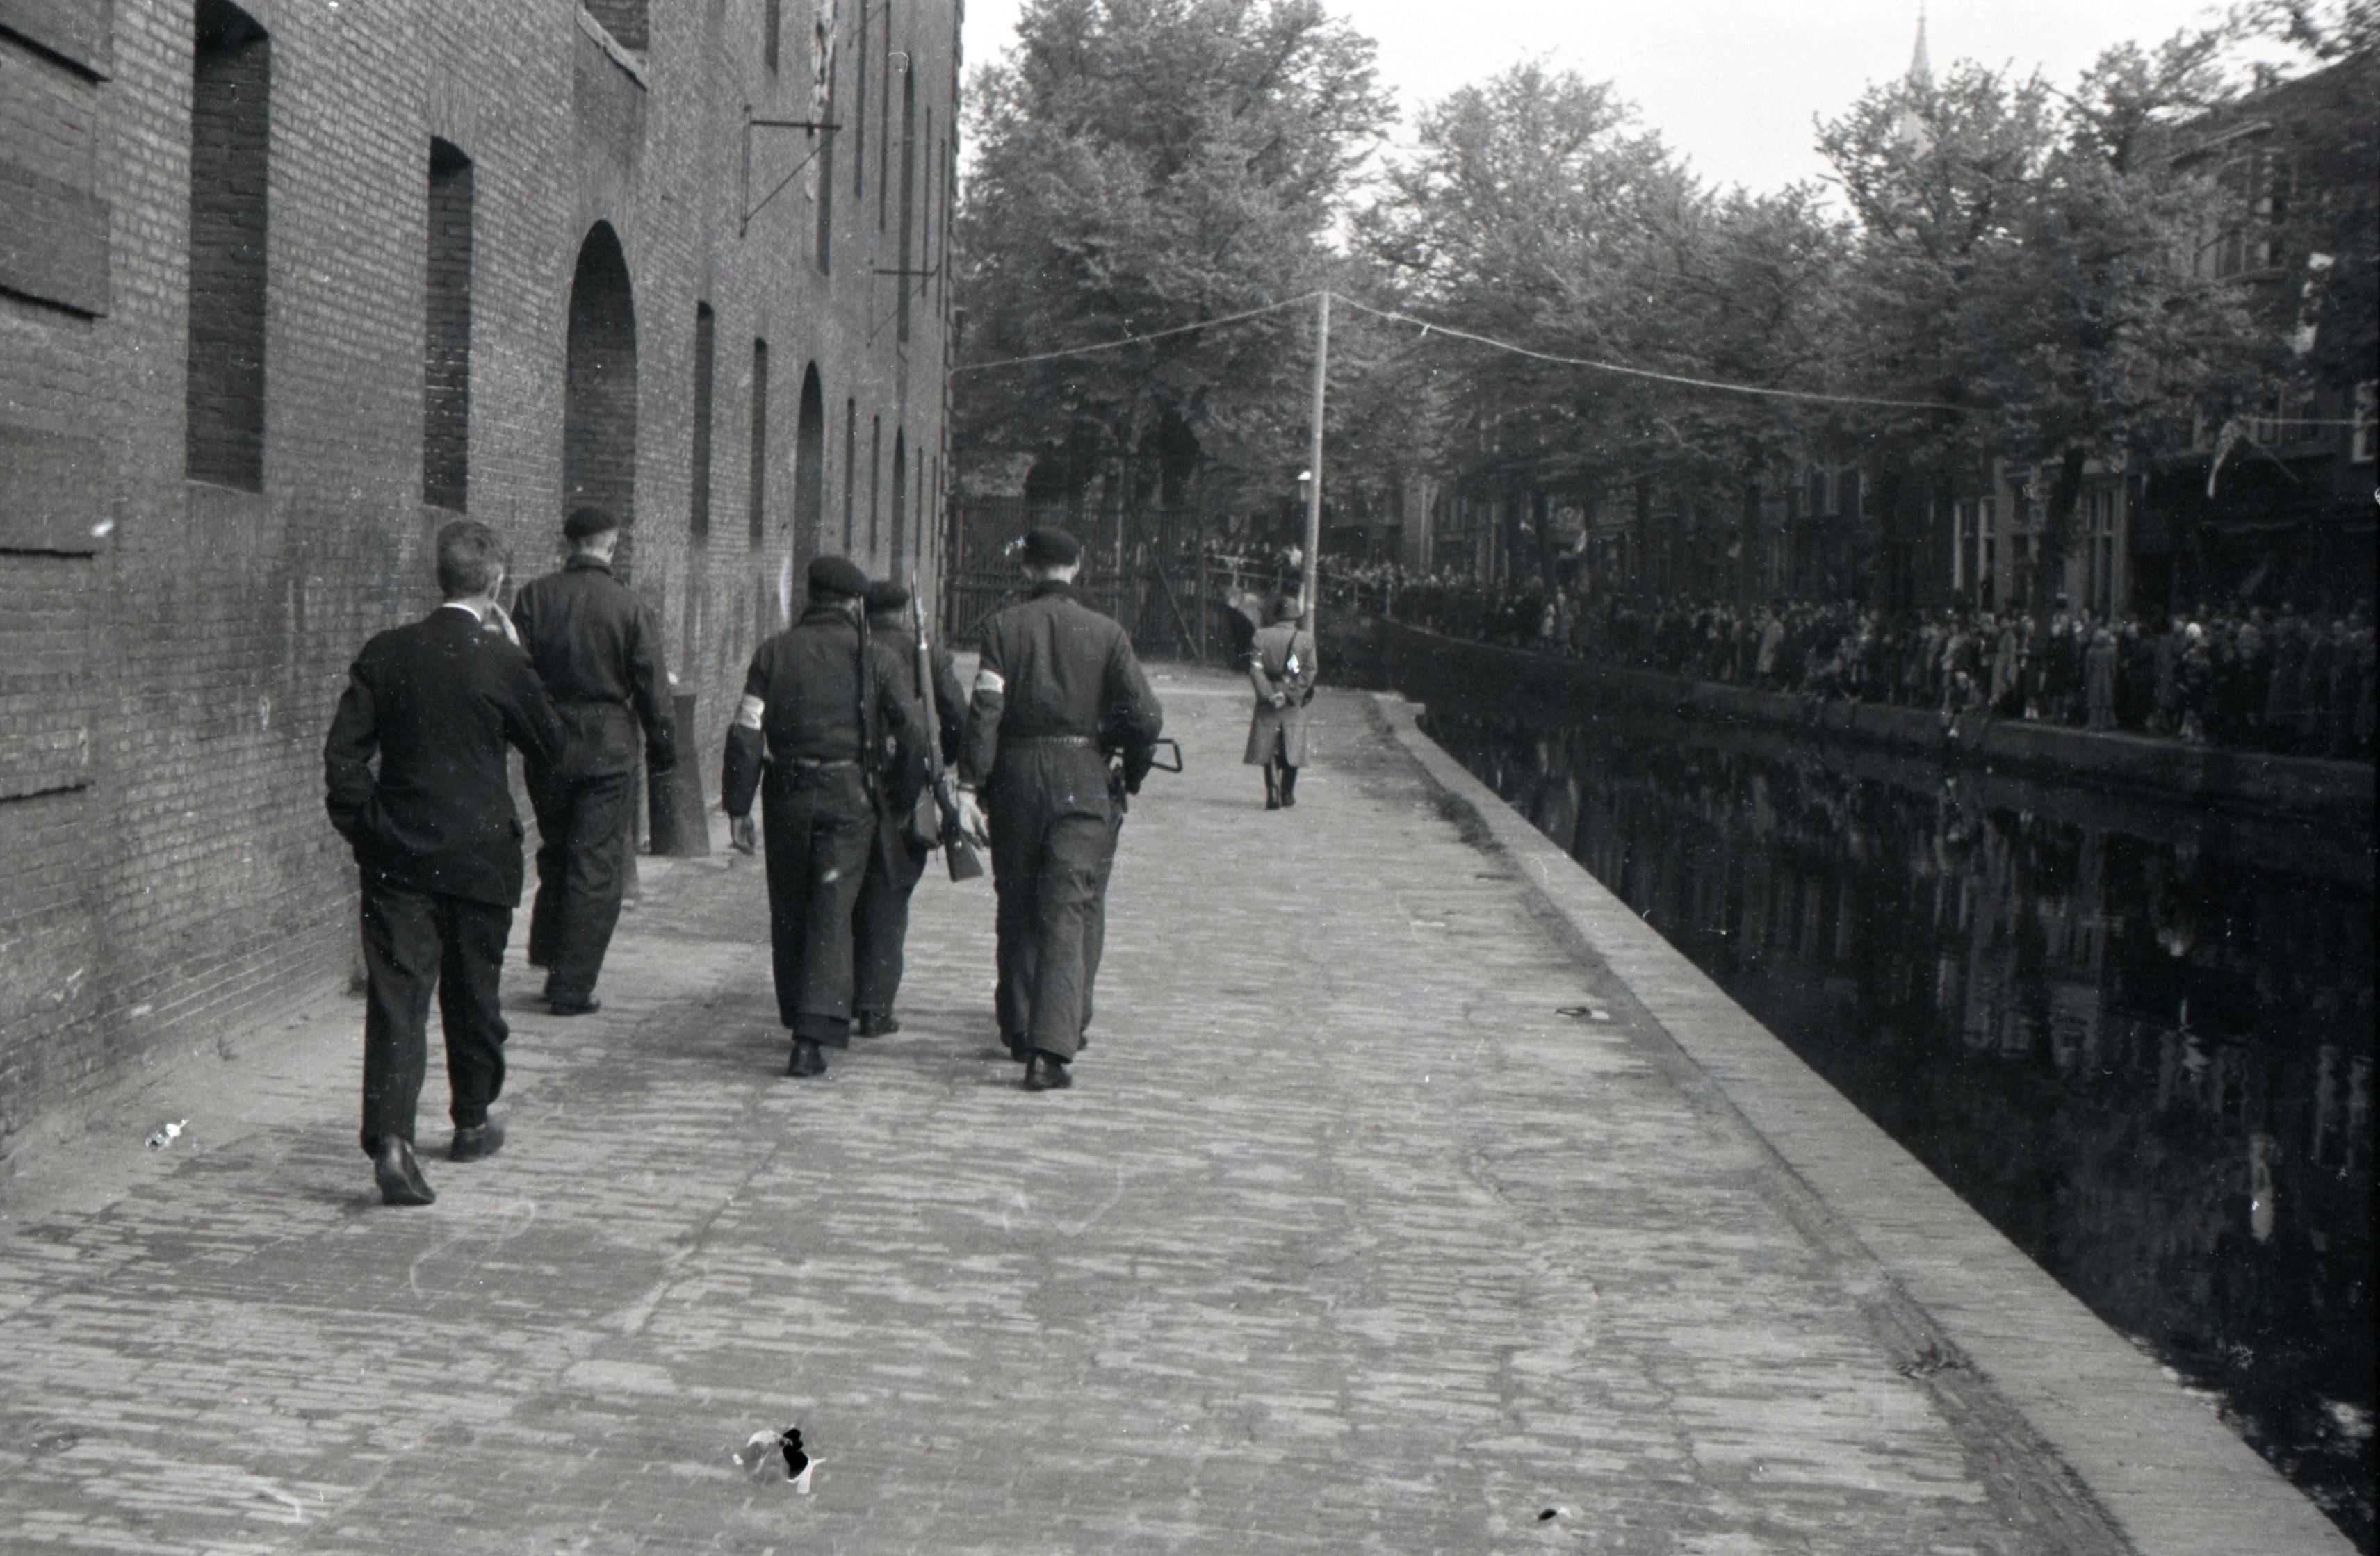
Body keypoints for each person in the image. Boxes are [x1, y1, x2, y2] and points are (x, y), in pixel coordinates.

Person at [323, 518, 564, 1206]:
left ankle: (393, 1140)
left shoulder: (386, 653)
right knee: (474, 992)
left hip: (398, 854)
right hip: (482, 856)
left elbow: (343, 758)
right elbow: (557, 750)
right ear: (495, 583)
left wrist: (368, 827)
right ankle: (471, 1120)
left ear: (440, 576)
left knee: (398, 998)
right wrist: (520, 661)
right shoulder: (502, 661)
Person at [953, 527, 1164, 1092]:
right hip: (1084, 777)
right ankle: (1051, 1047)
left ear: (1027, 569)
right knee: (1070, 907)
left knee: (1017, 899)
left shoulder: (1003, 629)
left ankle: (1019, 1024)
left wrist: (970, 786)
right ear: (1078, 566)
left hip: (1017, 777)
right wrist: (1124, 761)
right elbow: (1146, 718)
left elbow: (986, 711)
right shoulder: (1108, 633)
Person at [722, 556, 913, 1079]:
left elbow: (746, 731)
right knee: (832, 905)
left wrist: (738, 805)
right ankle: (814, 1030)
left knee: (790, 904)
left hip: (786, 793)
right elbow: (915, 735)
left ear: (810, 596)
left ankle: (797, 1012)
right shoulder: (875, 657)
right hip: (851, 794)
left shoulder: (774, 653)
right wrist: (897, 794)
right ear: (855, 604)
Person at [507, 506, 674, 1016]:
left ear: (569, 543)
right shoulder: (629, 606)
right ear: (611, 544)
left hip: (550, 742)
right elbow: (650, 685)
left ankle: (551, 956)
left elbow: (515, 671)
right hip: (609, 745)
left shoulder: (534, 597)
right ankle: (572, 984)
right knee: (595, 861)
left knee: (557, 850)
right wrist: (665, 753)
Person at [851, 578, 967, 1037]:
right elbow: (954, 715)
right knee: (889, 896)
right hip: (907, 785)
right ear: (904, 611)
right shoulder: (928, 654)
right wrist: (938, 768)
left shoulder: (855, 647)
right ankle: (876, 1005)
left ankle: (843, 993)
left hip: (856, 780)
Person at [1244, 592, 1317, 809]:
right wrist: (1290, 693)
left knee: (1268, 745)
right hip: (1293, 699)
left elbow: (1255, 669)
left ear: (1276, 616)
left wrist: (1268, 694)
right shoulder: (1304, 640)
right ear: (1295, 618)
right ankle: (1287, 793)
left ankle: (1272, 790)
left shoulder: (1260, 636)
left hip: (1269, 698)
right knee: (1292, 745)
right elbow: (1309, 671)